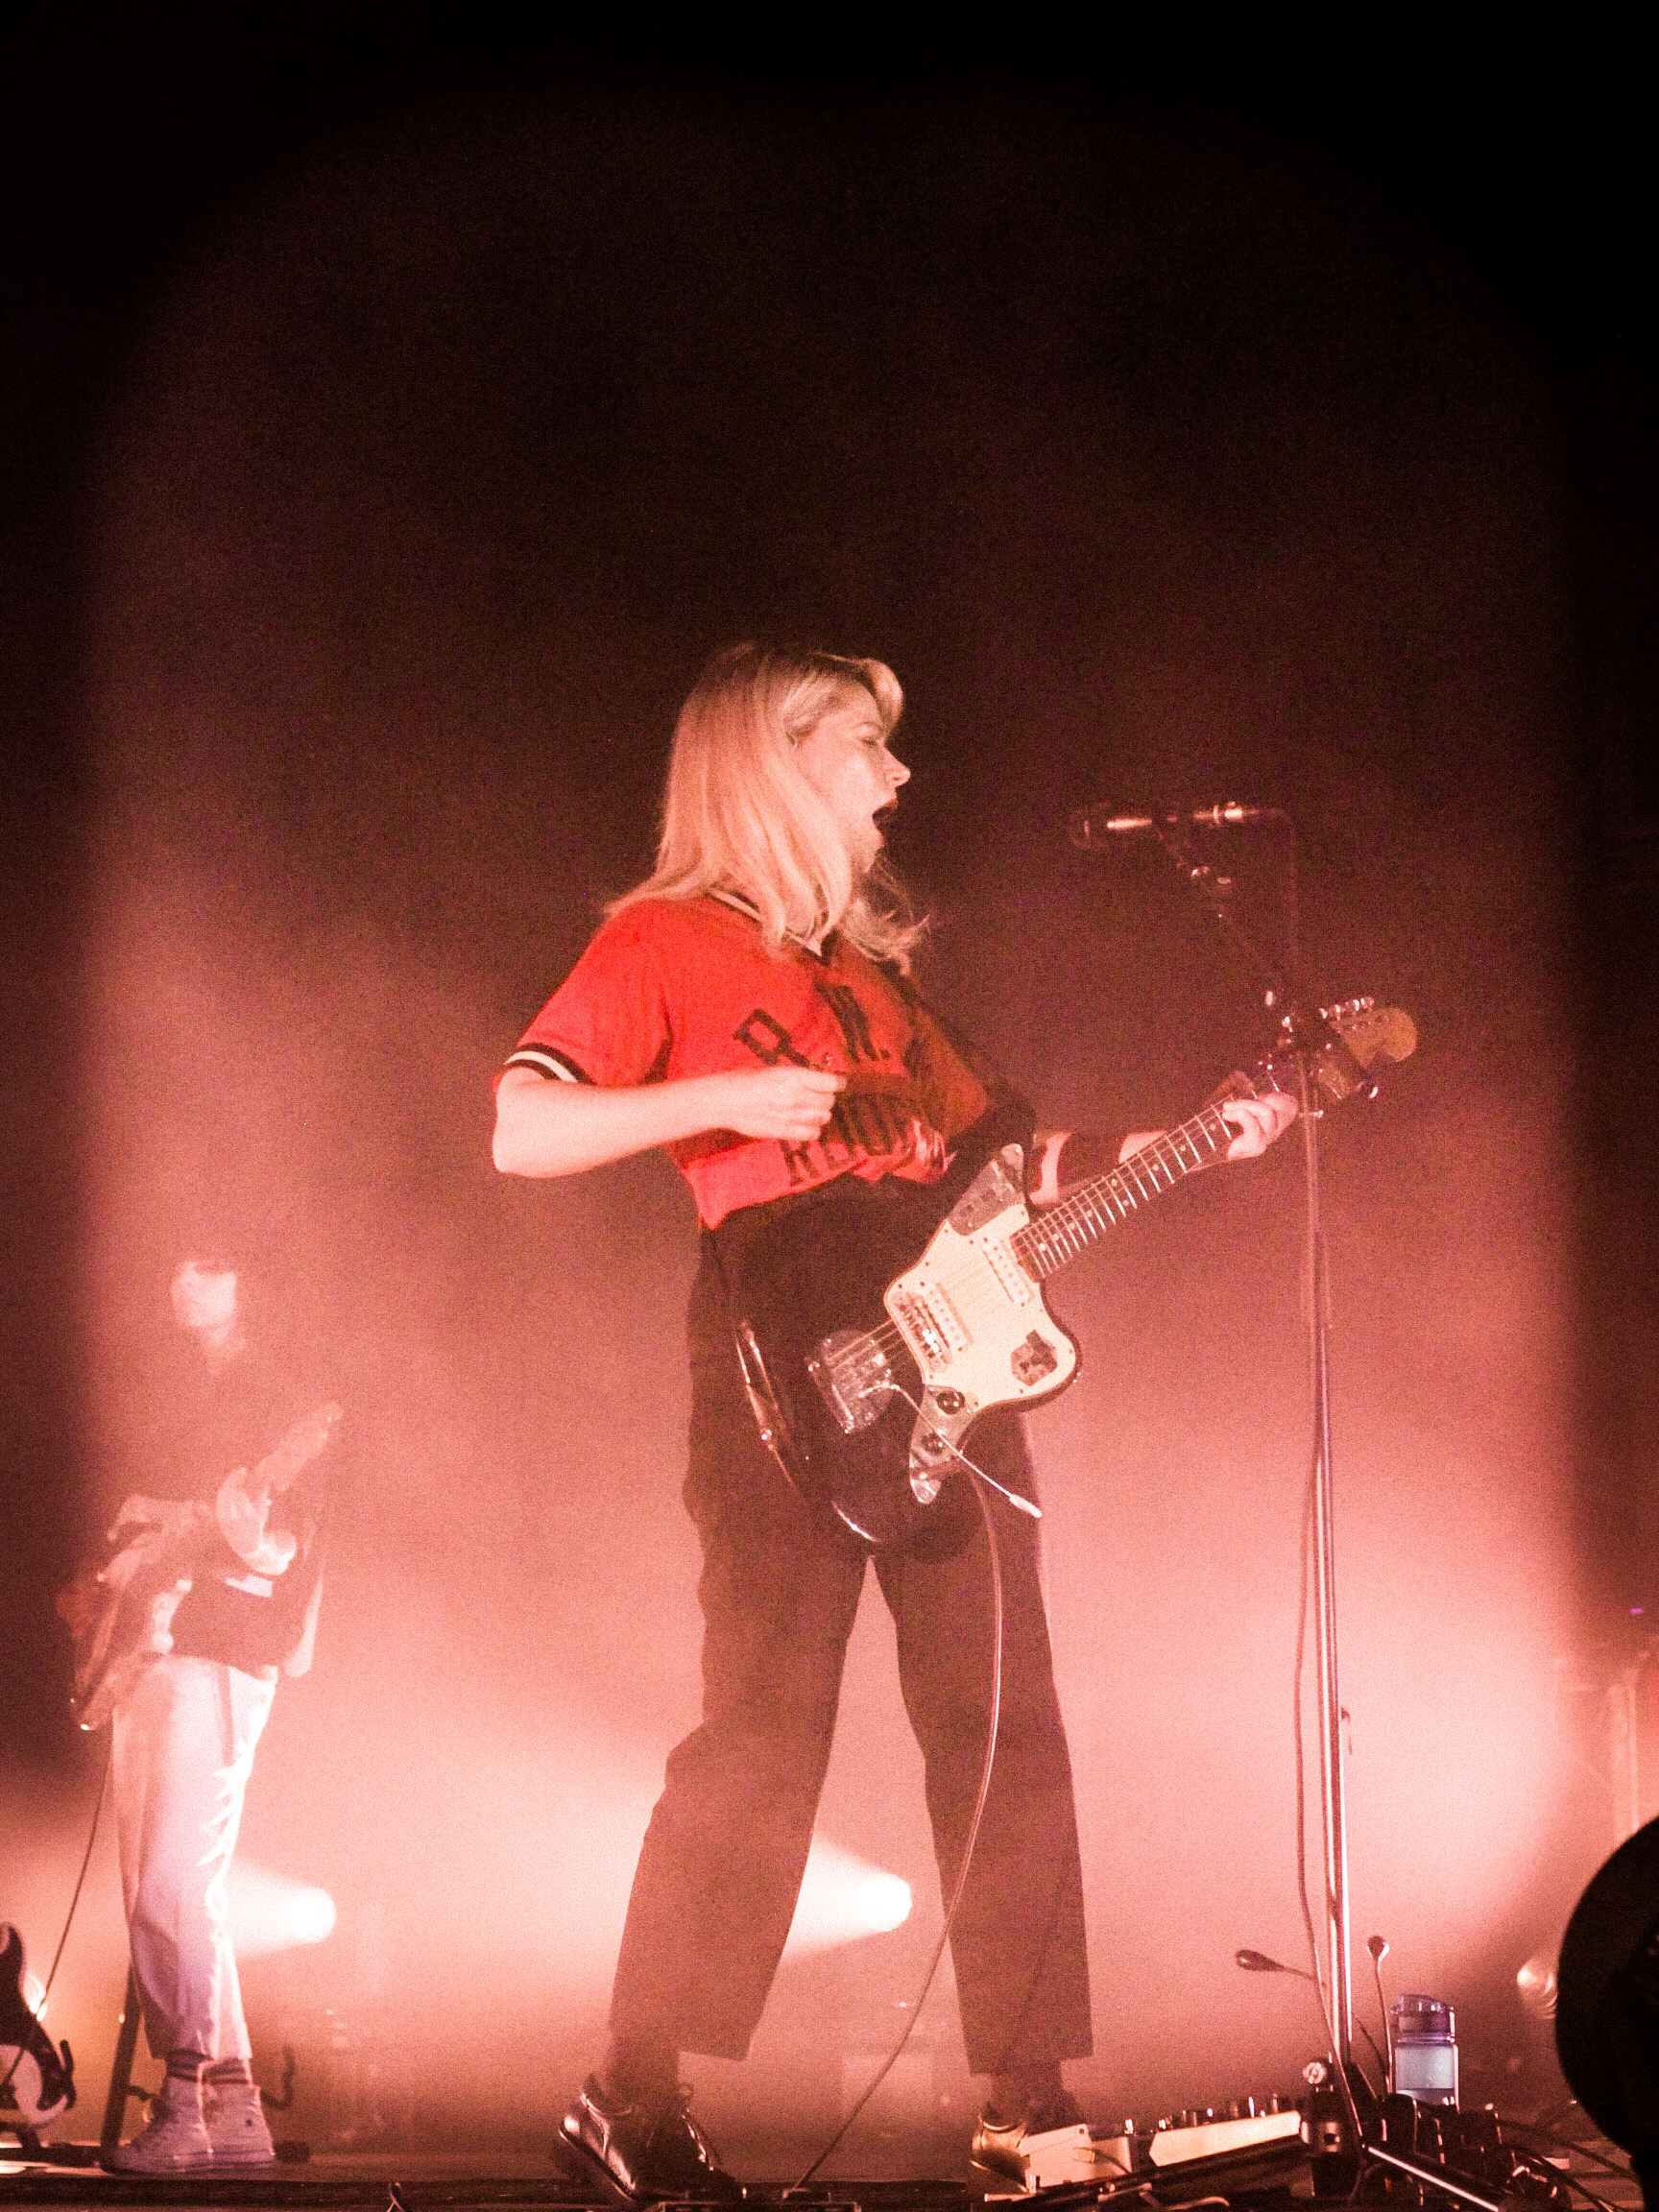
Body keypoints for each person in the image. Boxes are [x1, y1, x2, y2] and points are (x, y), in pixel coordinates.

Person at [493, 643, 1295, 2198]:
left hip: (955, 1360)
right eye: (867, 741)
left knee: (1003, 1724)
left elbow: (1009, 1165)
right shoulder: (663, 942)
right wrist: (706, 1105)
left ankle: (1030, 2094)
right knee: (761, 1738)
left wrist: (1205, 1131)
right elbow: (520, 1120)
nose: (900, 774)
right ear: (775, 762)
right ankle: (629, 2090)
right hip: (776, 1342)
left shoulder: (876, 985)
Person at [59, 1252, 338, 2176]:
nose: (182, 1281)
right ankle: (237, 2109)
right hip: (163, 1645)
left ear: (252, 1284)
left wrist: (193, 1523)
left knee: (168, 1891)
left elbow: (277, 1541)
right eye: (175, 1267)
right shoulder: (190, 1390)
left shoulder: (279, 1394)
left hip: (215, 1653)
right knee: (183, 1895)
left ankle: (183, 2107)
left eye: (210, 1267)